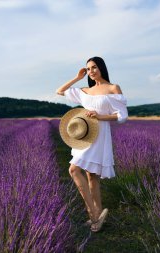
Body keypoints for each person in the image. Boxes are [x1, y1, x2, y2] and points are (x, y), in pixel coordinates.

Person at [56, 56, 128, 232]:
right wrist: (77, 78)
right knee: (74, 170)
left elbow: (122, 115)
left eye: (94, 67)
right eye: (88, 69)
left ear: (101, 67)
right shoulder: (84, 90)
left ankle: (94, 216)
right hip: (85, 133)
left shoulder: (113, 88)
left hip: (100, 133)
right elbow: (59, 91)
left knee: (91, 176)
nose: (91, 71)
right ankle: (95, 214)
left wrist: (100, 116)